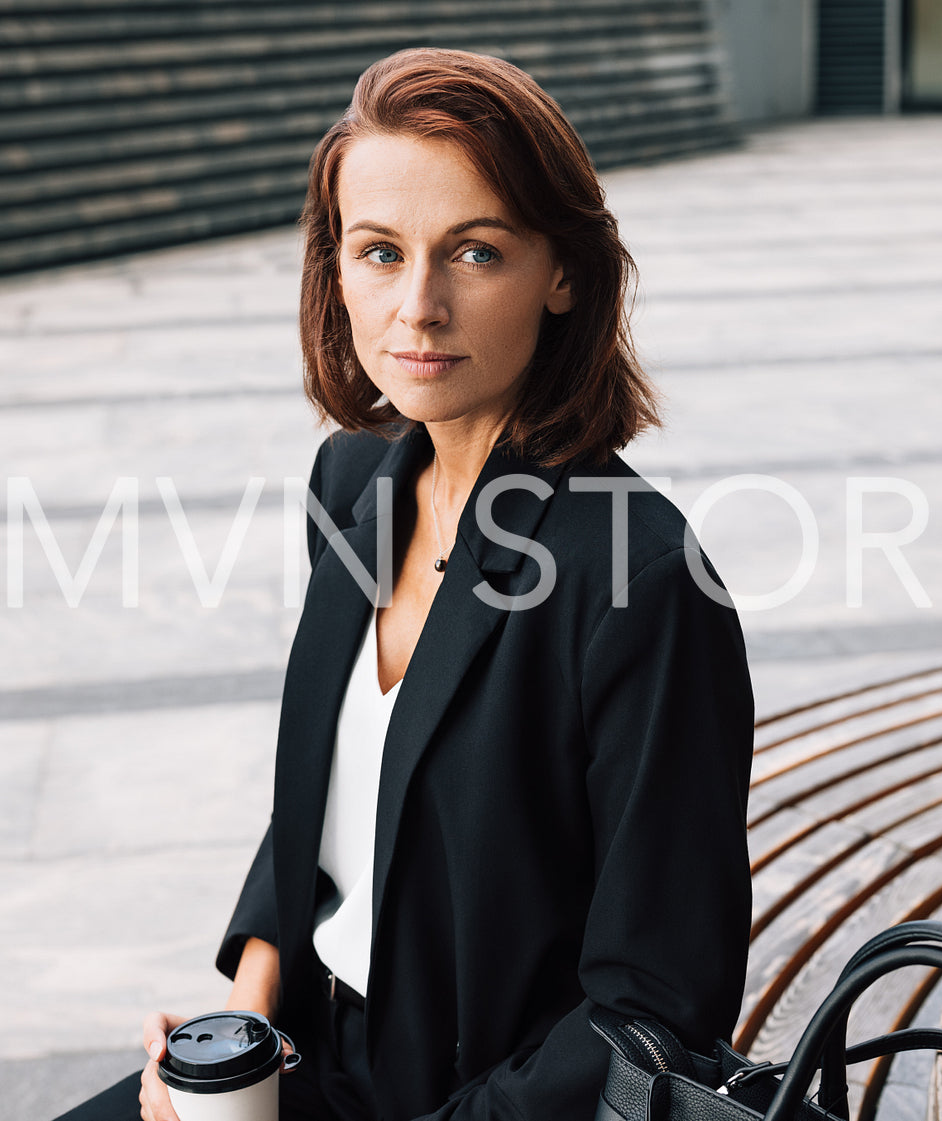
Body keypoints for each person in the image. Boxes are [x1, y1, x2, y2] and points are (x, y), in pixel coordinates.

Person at [59, 46, 753, 1121]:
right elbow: (331, 792)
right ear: (332, 268)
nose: (416, 306)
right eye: (378, 251)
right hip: (294, 1060)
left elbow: (652, 1004)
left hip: (482, 1096)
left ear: (562, 272)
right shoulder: (350, 481)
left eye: (474, 253)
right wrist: (235, 1035)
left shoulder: (639, 576)